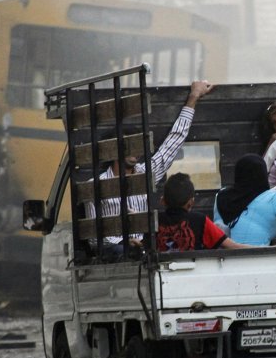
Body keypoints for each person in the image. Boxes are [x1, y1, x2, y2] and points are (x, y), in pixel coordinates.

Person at [85, 80, 213, 254]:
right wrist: (125, 241)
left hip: (147, 252)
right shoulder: (95, 185)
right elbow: (93, 237)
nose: (136, 152)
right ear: (114, 149)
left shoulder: (145, 173)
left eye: (138, 147)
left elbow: (173, 143)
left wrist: (193, 97)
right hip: (119, 254)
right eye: (130, 147)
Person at [157, 172, 250, 251]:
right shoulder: (200, 221)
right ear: (191, 202)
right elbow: (232, 246)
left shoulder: (154, 222)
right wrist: (262, 249)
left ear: (162, 201)